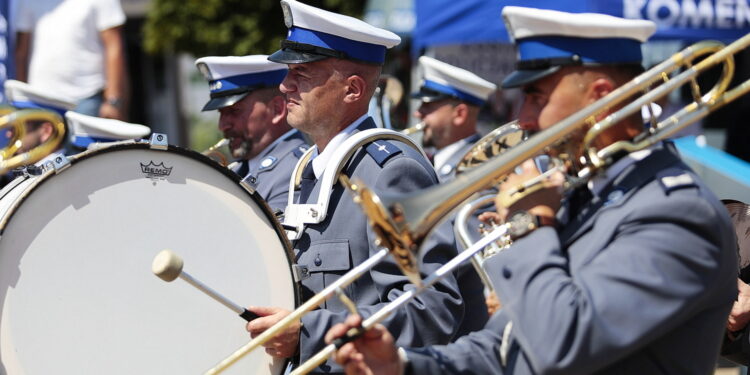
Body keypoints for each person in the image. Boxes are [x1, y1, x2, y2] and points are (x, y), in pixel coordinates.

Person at [326, 6, 738, 375]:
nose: (522, 120)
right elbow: (507, 344)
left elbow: (561, 345)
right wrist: (402, 364)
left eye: (536, 98)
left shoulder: (678, 212)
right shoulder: (584, 195)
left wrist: (530, 227)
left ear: (601, 97)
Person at [243, 1, 479, 373]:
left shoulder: (391, 171)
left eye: (302, 73)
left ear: (352, 89)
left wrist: (309, 334)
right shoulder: (310, 171)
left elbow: (431, 309)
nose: (284, 85)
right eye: (289, 72)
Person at [195, 55, 309, 212]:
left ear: (277, 110)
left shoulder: (297, 170)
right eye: (221, 113)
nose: (222, 125)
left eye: (234, 111)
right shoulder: (239, 169)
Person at [14, 0, 129, 120]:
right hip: (39, 99)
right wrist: (21, 100)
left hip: (87, 98)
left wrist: (113, 101)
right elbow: (21, 52)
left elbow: (113, 46)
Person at [411, 56, 496, 182]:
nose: (417, 113)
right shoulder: (435, 159)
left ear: (460, 114)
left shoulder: (478, 164)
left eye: (428, 106)